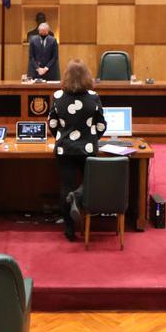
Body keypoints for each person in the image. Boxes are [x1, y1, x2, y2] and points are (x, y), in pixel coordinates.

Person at [48, 59, 106, 241]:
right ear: (87, 76)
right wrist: (93, 139)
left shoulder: (57, 96)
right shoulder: (93, 97)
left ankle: (69, 230)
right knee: (90, 181)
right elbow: (101, 125)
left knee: (66, 186)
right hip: (87, 148)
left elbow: (52, 124)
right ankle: (79, 198)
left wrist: (62, 136)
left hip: (65, 149)